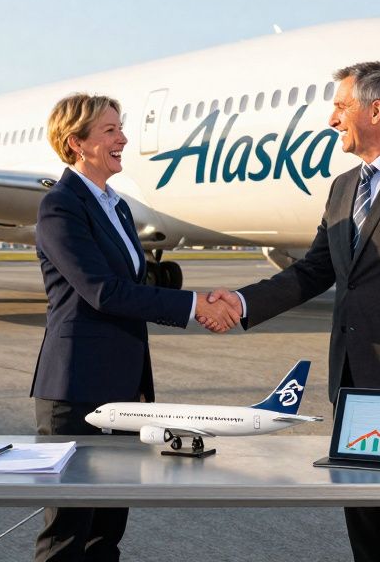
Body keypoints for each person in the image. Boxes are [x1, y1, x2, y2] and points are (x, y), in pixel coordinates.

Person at [208, 61, 380, 562]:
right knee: (368, 532)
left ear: (376, 110)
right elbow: (313, 270)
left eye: (340, 106)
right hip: (352, 386)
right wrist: (243, 303)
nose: (331, 119)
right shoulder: (342, 187)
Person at [32, 93, 237, 562]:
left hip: (124, 389)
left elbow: (130, 291)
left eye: (120, 127)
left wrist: (140, 386)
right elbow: (102, 291)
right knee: (67, 532)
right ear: (76, 143)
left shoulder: (117, 207)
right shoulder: (60, 207)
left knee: (108, 530)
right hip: (75, 389)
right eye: (109, 131)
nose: (123, 138)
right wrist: (193, 304)